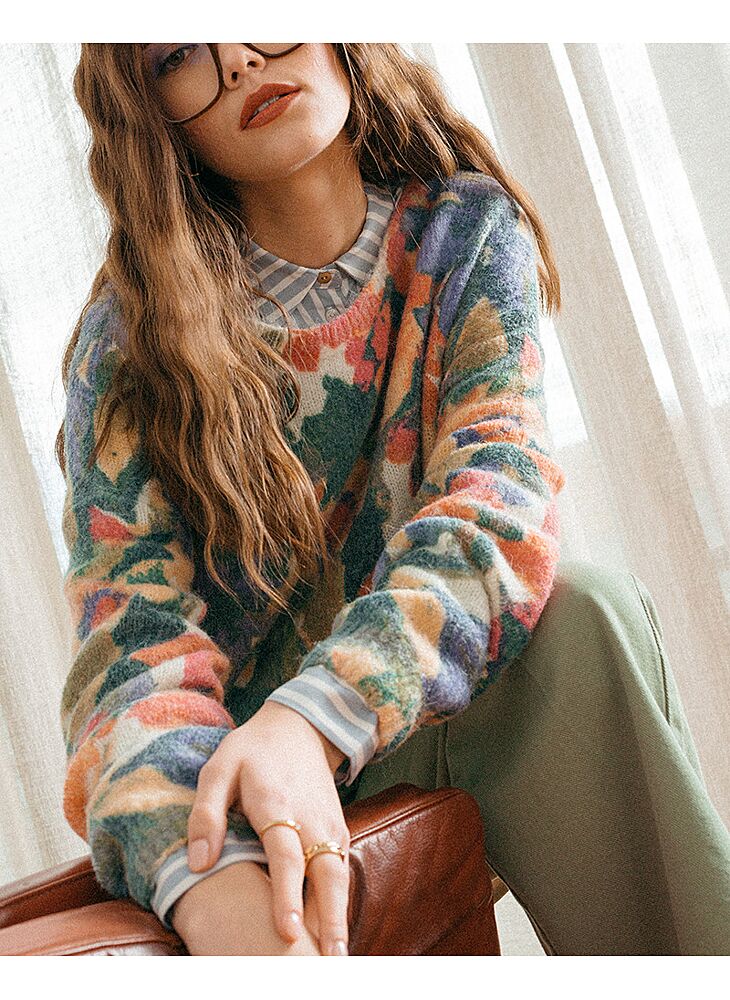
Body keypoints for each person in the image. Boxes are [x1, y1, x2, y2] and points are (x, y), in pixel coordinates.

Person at [57, 43, 730, 957]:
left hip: (403, 714)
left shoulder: (465, 234)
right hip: (248, 795)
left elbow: (499, 502)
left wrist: (318, 715)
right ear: (152, 114)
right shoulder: (131, 343)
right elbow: (131, 652)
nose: (241, 58)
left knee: (586, 613)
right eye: (181, 53)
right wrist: (208, 874)